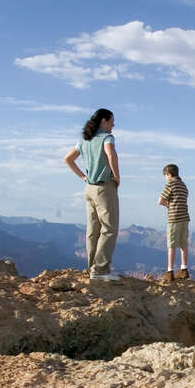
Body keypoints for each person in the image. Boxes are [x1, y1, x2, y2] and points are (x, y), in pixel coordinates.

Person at [63, 108, 121, 282]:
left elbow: (68, 159)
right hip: (104, 187)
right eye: (111, 121)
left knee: (92, 230)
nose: (113, 125)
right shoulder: (106, 138)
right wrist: (116, 176)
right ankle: (101, 270)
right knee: (109, 228)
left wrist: (83, 176)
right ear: (103, 121)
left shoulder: (84, 140)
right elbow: (111, 154)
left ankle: (92, 268)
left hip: (89, 188)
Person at [157, 163, 190, 282]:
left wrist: (168, 205)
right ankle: (184, 269)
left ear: (169, 174)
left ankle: (170, 271)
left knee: (171, 245)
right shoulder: (183, 185)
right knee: (183, 244)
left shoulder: (170, 184)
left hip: (174, 218)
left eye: (165, 175)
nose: (165, 178)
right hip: (185, 217)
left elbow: (160, 200)